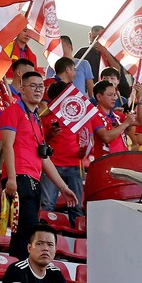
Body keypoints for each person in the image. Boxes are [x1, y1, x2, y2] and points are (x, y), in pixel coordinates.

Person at [1, 72, 78, 258]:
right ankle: (19, 275)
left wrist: (63, 187)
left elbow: (43, 157)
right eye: (33, 86)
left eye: (40, 87)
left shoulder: (36, 118)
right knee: (25, 233)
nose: (37, 90)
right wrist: (11, 178)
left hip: (34, 181)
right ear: (22, 89)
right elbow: (7, 145)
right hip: (19, 178)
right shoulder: (13, 111)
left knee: (26, 233)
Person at [41, 81, 85, 222]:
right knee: (47, 204)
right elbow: (40, 143)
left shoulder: (80, 114)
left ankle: (78, 238)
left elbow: (87, 138)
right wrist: (50, 135)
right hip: (52, 166)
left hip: (75, 165)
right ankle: (45, 235)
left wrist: (85, 150)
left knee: (76, 206)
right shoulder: (45, 116)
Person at [90, 79, 142, 160]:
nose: (114, 98)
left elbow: (140, 121)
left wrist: (139, 99)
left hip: (121, 163)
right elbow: (105, 137)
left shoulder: (116, 116)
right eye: (110, 95)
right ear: (99, 97)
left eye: (114, 95)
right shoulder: (94, 115)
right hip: (104, 164)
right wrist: (126, 123)